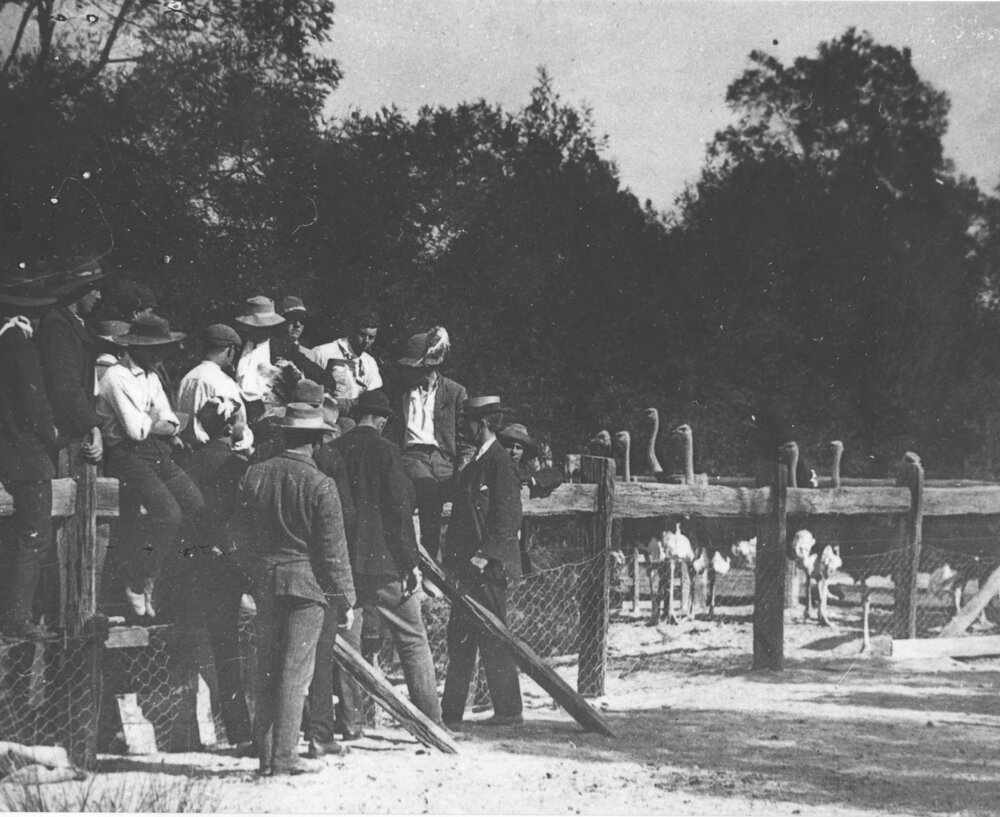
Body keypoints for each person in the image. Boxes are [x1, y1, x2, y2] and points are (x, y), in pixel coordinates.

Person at [229, 403, 355, 776]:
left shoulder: (254, 476)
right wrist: (345, 598)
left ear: (283, 435)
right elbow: (333, 552)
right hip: (307, 588)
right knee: (295, 672)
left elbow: (235, 538)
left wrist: (255, 573)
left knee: (267, 669)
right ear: (316, 441)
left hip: (266, 584)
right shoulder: (321, 484)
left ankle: (267, 756)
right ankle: (285, 757)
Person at [312, 390, 442, 745]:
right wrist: (410, 563)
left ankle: (352, 725)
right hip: (385, 565)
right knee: (413, 641)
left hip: (343, 566)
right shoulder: (388, 451)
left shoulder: (332, 451)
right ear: (382, 420)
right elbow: (399, 509)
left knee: (348, 648)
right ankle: (431, 725)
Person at [97, 313, 205, 620]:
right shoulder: (115, 377)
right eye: (154, 347)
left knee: (195, 502)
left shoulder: (151, 375)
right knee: (168, 513)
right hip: (125, 454)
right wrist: (161, 423)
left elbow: (170, 420)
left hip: (154, 450)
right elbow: (135, 430)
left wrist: (161, 424)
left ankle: (156, 575)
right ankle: (137, 579)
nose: (160, 354)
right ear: (136, 346)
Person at [441, 395, 524, 728]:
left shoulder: (501, 462)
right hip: (467, 568)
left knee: (494, 638)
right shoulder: (476, 461)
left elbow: (507, 517)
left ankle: (509, 711)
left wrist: (483, 555)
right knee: (459, 637)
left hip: (487, 568)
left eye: (469, 424)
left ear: (484, 424)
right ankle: (451, 713)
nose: (465, 430)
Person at [177, 397, 253, 747]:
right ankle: (238, 730)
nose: (243, 426)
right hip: (224, 565)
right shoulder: (236, 467)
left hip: (190, 562)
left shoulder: (187, 462)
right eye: (240, 420)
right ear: (228, 427)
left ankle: (186, 732)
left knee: (190, 643)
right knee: (227, 647)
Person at [0, 280, 62, 638]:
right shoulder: (19, 347)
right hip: (28, 457)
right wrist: (52, 434)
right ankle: (17, 617)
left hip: (7, 453)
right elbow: (34, 402)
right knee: (34, 537)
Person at [384, 326, 472, 561]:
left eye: (416, 368)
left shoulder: (455, 392)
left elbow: (466, 438)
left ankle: (461, 563)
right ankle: (428, 563)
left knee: (470, 496)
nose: (410, 373)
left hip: (445, 459)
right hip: (413, 456)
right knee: (427, 491)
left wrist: (463, 468)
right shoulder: (399, 392)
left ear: (430, 366)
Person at [36, 256, 111, 466]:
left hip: (78, 431)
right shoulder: (57, 326)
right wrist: (92, 426)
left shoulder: (76, 325)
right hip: (67, 435)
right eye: (94, 289)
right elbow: (65, 385)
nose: (99, 295)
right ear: (79, 290)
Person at [176, 323, 254, 452]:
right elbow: (238, 429)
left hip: (189, 453)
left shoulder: (187, 378)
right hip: (220, 453)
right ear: (230, 350)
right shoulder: (223, 382)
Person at [310, 311, 383, 405]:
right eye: (362, 335)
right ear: (352, 331)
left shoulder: (369, 362)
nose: (366, 341)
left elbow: (373, 393)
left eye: (371, 337)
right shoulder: (323, 352)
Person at [234, 296, 284, 427]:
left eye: (266, 327)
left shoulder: (283, 347)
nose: (262, 330)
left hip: (269, 411)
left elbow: (314, 372)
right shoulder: (238, 347)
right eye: (256, 327)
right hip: (240, 409)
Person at [270, 296, 338, 392]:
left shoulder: (303, 353)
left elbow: (326, 379)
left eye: (302, 321)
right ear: (280, 321)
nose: (298, 325)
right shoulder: (269, 347)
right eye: (292, 319)